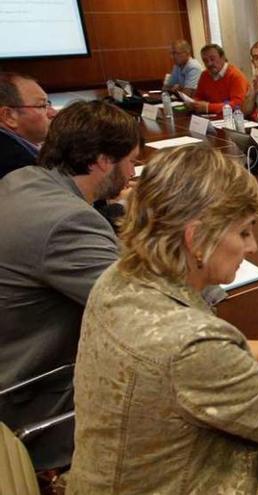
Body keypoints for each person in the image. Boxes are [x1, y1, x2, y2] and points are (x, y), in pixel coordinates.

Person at [67, 145, 258, 494]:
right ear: (195, 237)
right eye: (243, 232)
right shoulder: (193, 343)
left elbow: (181, 366)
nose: (252, 246)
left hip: (113, 477)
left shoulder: (117, 277)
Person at [0, 100, 141, 470]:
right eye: (130, 161)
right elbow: (144, 311)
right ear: (101, 161)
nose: (132, 173)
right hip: (40, 400)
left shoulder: (21, 180)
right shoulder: (67, 220)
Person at [0, 72, 58, 179]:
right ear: (9, 116)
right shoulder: (16, 166)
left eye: (48, 104)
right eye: (42, 105)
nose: (53, 113)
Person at [189, 44, 249, 114]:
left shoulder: (236, 76)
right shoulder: (204, 75)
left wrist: (208, 107)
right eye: (205, 61)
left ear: (222, 57)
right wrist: (194, 104)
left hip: (237, 118)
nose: (209, 63)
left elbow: (237, 105)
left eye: (212, 59)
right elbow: (199, 96)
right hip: (214, 117)